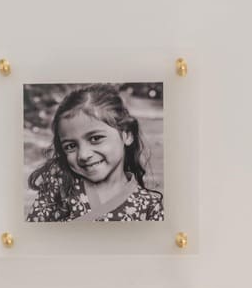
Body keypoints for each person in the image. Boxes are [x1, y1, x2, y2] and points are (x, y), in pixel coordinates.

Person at [25, 85, 164, 223]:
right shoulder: (60, 182)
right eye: (71, 146)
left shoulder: (149, 207)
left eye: (95, 138)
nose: (83, 155)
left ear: (127, 135)